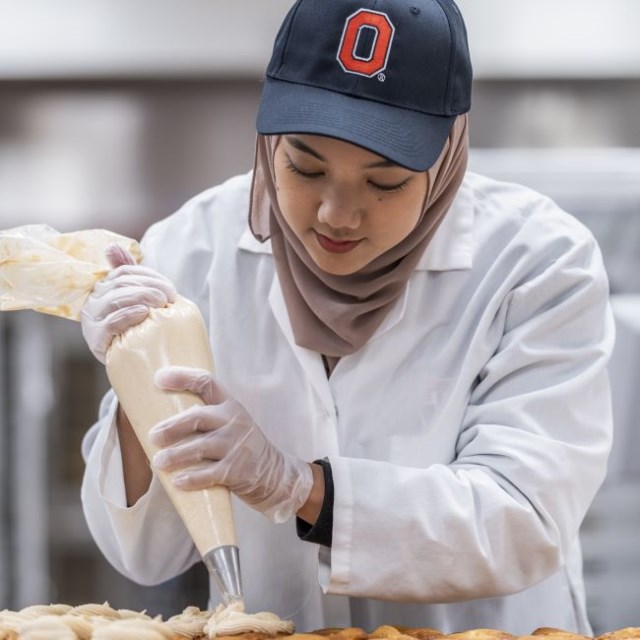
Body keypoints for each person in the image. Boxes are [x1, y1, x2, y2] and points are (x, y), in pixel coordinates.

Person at [79, 0, 615, 636]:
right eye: (304, 167)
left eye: (384, 183)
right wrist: (137, 375)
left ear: (446, 159)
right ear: (268, 138)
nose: (336, 214)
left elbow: (521, 520)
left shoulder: (538, 262)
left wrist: (296, 486)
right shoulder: (192, 247)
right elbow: (143, 555)